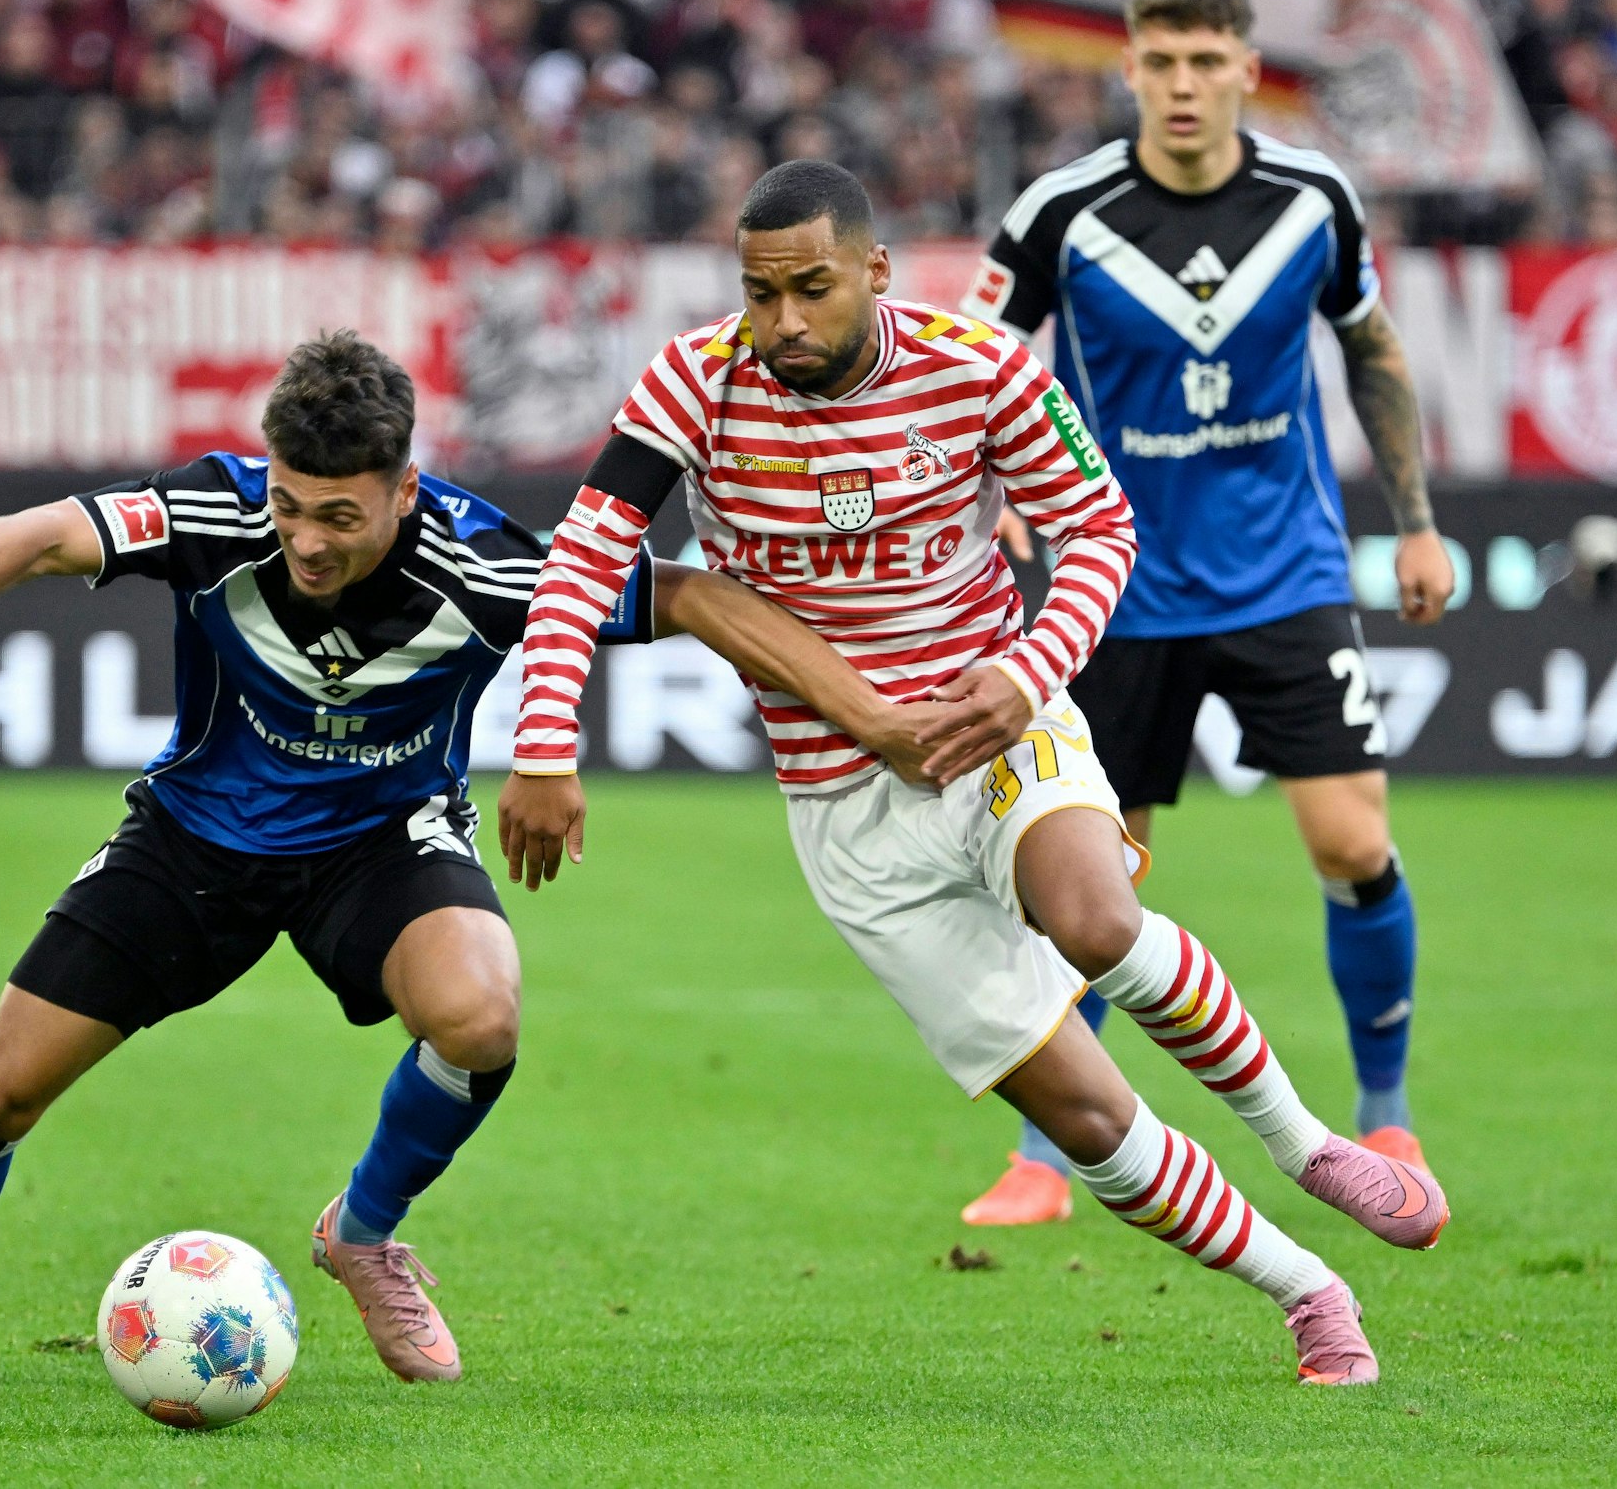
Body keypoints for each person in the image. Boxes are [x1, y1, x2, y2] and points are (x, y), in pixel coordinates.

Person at [0, 329, 903, 1387]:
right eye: (289, 506)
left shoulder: (482, 563)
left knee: (479, 1016)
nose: (306, 541)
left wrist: (872, 715)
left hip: (379, 846)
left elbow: (689, 598)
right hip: (192, 841)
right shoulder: (215, 513)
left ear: (404, 491)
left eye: (340, 516)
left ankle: (362, 1233)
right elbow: (46, 536)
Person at [497, 158, 1448, 1385]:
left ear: (875, 272)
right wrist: (543, 745)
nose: (782, 321)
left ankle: (1305, 1143)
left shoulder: (977, 367)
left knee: (1093, 916)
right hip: (842, 807)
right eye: (758, 293)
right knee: (1088, 1119)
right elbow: (581, 561)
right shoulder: (693, 381)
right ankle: (1306, 1290)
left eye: (811, 289)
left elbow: (1100, 528)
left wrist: (1023, 672)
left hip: (1000, 726)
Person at [956, 0, 1455, 1226]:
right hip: (1112, 585)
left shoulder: (1312, 201)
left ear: (1243, 67)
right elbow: (971, 365)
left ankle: (1385, 1112)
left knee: (1351, 846)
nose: (1181, 83)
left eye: (1203, 60)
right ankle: (1041, 1157)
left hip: (1283, 575)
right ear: (1128, 69)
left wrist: (1414, 520)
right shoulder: (1060, 211)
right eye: (1160, 60)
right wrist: (993, 492)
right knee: (1087, 877)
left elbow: (1372, 350)